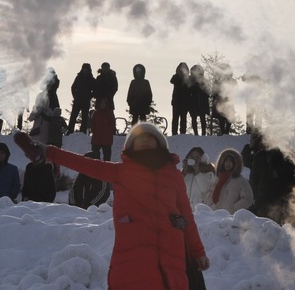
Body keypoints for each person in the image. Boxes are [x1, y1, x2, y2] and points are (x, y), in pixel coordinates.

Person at [15, 122, 209, 288]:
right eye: (141, 137)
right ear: (131, 145)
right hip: (133, 257)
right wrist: (49, 152)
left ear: (160, 143)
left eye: (151, 137)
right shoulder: (122, 172)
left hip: (171, 257)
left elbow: (187, 217)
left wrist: (198, 252)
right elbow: (84, 164)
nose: (146, 140)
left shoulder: (173, 175)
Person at [211, 148, 253, 214]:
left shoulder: (240, 180)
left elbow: (248, 199)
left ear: (236, 163)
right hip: (216, 216)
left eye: (231, 161)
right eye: (226, 161)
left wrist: (233, 209)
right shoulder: (218, 179)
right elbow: (211, 195)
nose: (228, 163)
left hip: (230, 217)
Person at [68, 63, 95, 134]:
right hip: (78, 100)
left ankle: (82, 132)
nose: (85, 70)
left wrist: (89, 96)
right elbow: (73, 87)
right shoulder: (78, 77)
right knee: (73, 116)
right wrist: (75, 96)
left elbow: (95, 90)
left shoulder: (91, 79)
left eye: (87, 69)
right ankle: (70, 130)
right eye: (84, 69)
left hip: (86, 101)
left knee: (85, 117)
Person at [90, 97, 115, 161]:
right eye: (101, 103)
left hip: (106, 139)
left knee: (107, 157)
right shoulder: (96, 113)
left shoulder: (110, 113)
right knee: (95, 156)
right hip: (96, 138)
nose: (102, 105)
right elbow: (92, 123)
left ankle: (106, 169)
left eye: (104, 103)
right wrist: (94, 131)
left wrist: (108, 133)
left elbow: (112, 125)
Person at [170, 62, 191, 135]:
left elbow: (190, 88)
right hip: (177, 101)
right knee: (175, 118)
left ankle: (183, 132)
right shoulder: (176, 77)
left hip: (184, 102)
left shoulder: (188, 78)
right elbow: (171, 81)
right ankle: (174, 132)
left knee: (183, 118)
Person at [188, 64, 209, 136]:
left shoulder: (204, 81)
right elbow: (188, 91)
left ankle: (203, 133)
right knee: (194, 118)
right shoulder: (190, 81)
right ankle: (196, 133)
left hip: (201, 102)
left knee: (202, 118)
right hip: (193, 102)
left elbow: (207, 91)